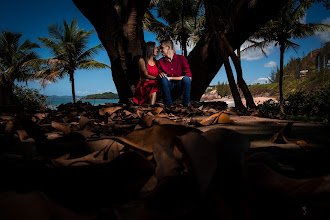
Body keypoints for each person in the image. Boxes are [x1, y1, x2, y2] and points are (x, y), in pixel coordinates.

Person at [157, 40, 192, 107]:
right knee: (164, 79)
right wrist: (160, 76)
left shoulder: (182, 58)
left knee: (186, 79)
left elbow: (189, 77)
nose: (160, 50)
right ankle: (168, 106)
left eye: (162, 48)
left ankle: (186, 106)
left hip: (179, 86)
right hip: (168, 88)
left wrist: (170, 78)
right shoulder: (160, 62)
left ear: (169, 47)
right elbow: (159, 79)